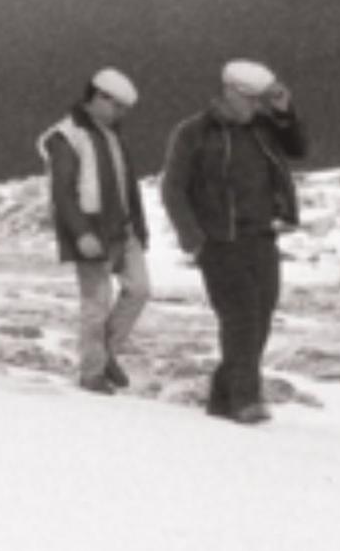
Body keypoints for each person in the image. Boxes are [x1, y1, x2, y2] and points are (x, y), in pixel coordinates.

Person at [161, 60, 308, 424]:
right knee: (240, 318)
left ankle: (222, 397)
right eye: (251, 99)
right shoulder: (193, 132)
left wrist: (285, 111)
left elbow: (299, 148)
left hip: (262, 238)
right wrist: (193, 239)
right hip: (219, 241)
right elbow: (173, 188)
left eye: (261, 100)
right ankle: (245, 400)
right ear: (229, 92)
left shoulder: (264, 129)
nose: (257, 106)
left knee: (261, 320)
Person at [36, 68, 150, 394]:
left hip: (123, 231)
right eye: (118, 106)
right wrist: (81, 233)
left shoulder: (113, 134)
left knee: (139, 290)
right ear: (98, 97)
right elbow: (63, 193)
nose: (122, 114)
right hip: (93, 231)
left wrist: (139, 228)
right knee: (96, 305)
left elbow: (128, 186)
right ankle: (91, 374)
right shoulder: (67, 136)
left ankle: (105, 353)